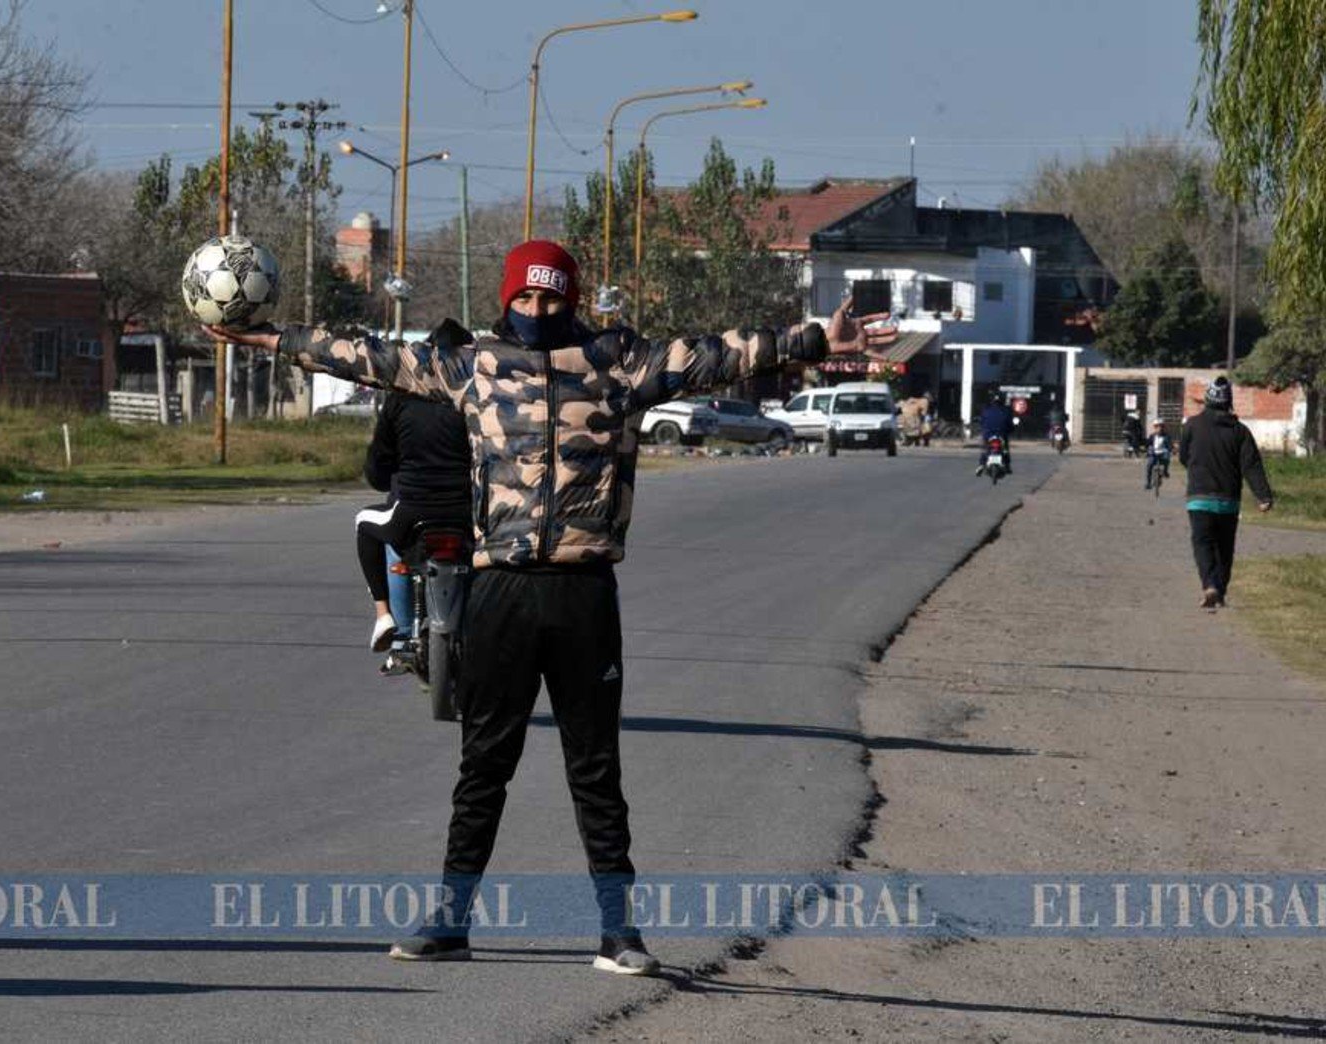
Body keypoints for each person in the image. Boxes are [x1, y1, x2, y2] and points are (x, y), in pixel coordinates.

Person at [205, 239, 889, 976]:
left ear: (572, 298)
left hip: (582, 592)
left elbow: (717, 355)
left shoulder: (618, 365)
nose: (538, 309)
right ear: (507, 300)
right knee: (482, 766)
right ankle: (450, 921)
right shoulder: (472, 366)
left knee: (595, 770)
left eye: (552, 296)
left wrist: (815, 339)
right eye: (526, 297)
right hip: (498, 590)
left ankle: (619, 933)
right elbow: (368, 356)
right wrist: (273, 339)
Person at [356, 363, 471, 657]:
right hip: (466, 513)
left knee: (367, 525)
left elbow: (378, 465)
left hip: (412, 512)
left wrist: (388, 478)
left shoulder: (400, 399)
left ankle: (385, 617)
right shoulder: (475, 395)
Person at [1178, 376, 1274, 609]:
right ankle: (1220, 590)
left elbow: (1183, 457)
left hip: (1199, 499)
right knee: (1224, 547)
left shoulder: (1191, 426)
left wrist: (1198, 470)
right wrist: (1263, 496)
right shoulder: (1240, 431)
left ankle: (1210, 585)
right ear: (1229, 402)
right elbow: (1251, 465)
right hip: (1228, 501)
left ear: (1207, 400)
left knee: (1203, 543)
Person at [975, 391, 1014, 476]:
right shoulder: (1006, 411)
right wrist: (1010, 430)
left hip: (988, 434)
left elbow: (982, 423)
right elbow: (1010, 425)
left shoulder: (986, 410)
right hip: (1001, 434)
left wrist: (983, 429)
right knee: (1005, 450)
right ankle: (1007, 465)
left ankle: (981, 464)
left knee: (985, 449)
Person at [1143, 418, 1173, 491]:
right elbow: (1148, 444)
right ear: (1154, 427)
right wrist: (1145, 449)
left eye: (1161, 426)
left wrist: (1171, 449)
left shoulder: (1167, 436)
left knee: (1166, 458)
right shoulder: (1152, 436)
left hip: (1163, 453)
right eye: (1157, 426)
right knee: (1149, 465)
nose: (1159, 428)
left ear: (1163, 427)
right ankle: (1148, 483)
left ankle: (1165, 471)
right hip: (1154, 453)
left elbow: (1169, 445)